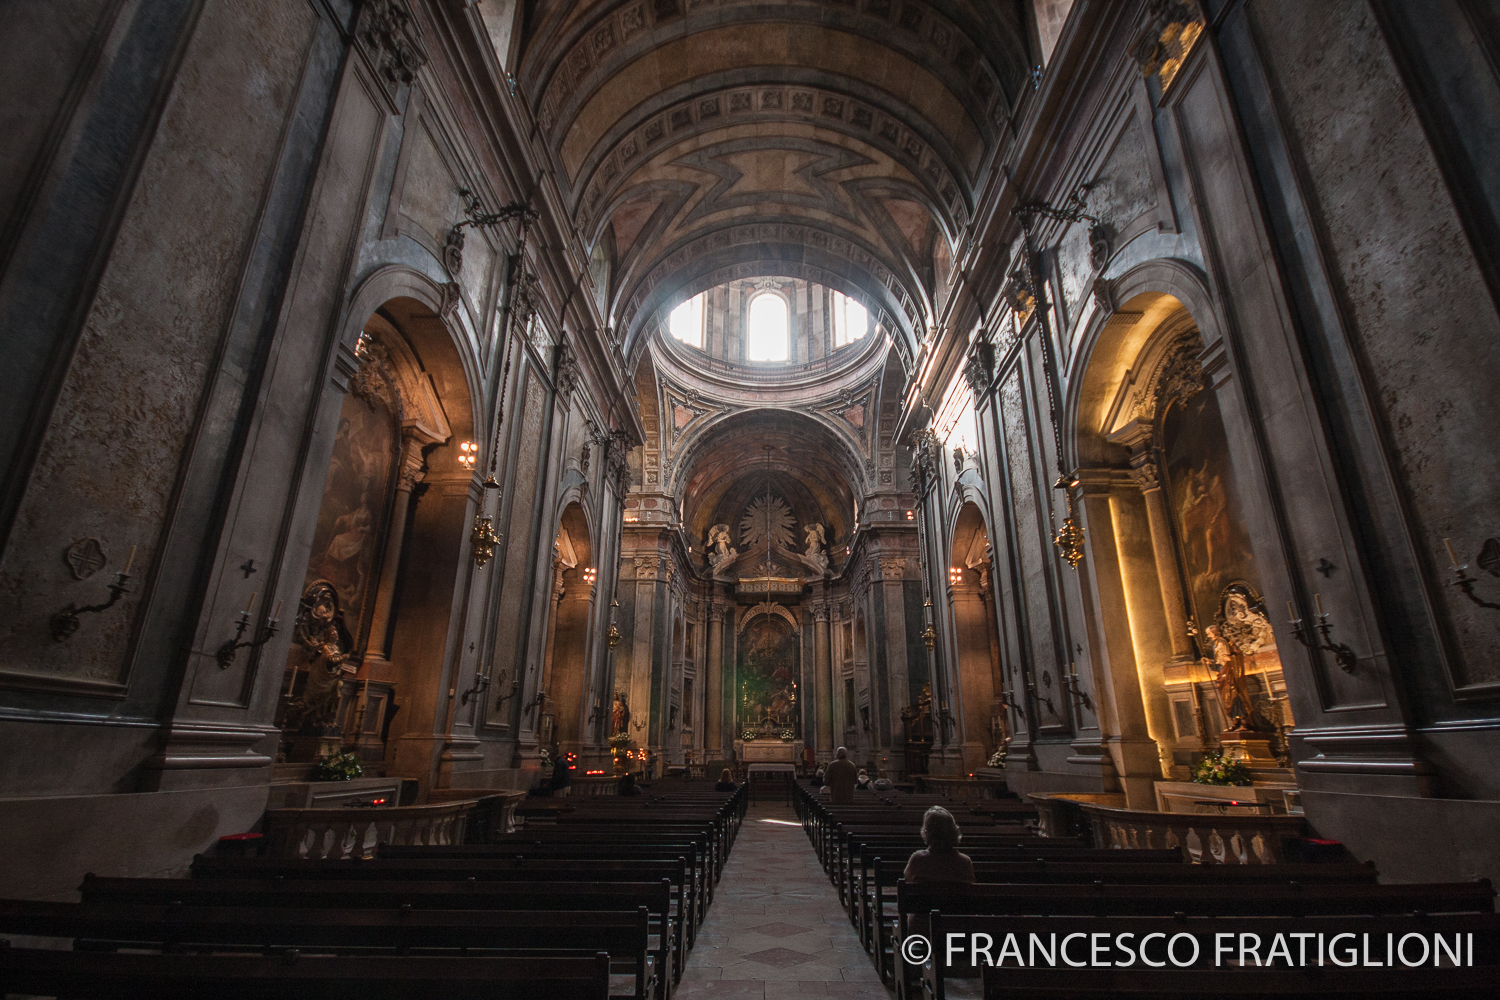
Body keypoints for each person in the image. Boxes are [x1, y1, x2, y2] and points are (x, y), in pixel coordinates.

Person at [904, 805, 975, 885]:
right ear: (953, 831)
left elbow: (908, 880)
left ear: (927, 832)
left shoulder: (917, 860)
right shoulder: (964, 862)